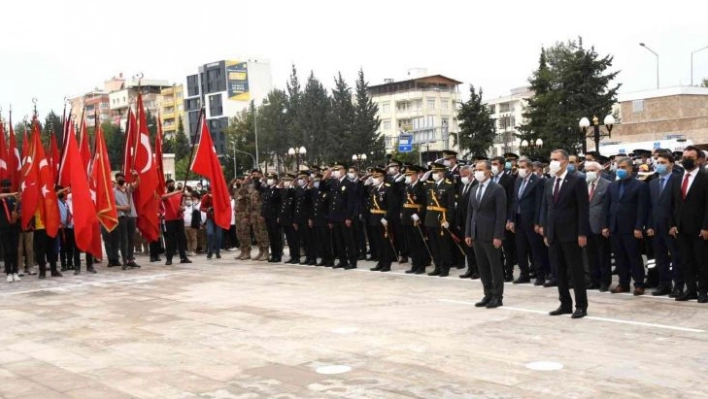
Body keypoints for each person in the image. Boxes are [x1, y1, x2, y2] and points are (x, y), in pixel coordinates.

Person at [540, 149, 590, 319]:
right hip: (554, 234)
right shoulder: (549, 182)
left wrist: (582, 233)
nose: (552, 162)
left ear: (565, 162)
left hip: (571, 233)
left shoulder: (577, 181)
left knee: (575, 271)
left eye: (556, 159)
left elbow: (583, 209)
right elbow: (547, 208)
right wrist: (546, 232)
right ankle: (565, 303)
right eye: (551, 159)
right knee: (558, 271)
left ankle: (581, 305)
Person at [603, 157, 649, 295]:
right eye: (618, 167)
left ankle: (639, 284)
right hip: (615, 227)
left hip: (631, 228)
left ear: (630, 168)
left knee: (634, 257)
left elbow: (642, 208)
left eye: (623, 167)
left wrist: (639, 227)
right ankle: (623, 284)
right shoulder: (612, 185)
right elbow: (607, 206)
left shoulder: (640, 186)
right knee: (619, 257)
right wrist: (605, 226)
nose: (620, 169)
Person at [466, 160, 507, 308]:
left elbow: (501, 214)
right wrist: (468, 233)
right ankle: (487, 294)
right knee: (482, 267)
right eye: (476, 169)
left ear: (489, 171)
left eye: (481, 169)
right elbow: (470, 213)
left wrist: (498, 235)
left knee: (494, 266)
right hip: (476, 233)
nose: (477, 172)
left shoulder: (497, 189)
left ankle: (497, 296)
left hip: (490, 235)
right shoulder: (474, 189)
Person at [670, 146, 708, 302]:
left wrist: (706, 227)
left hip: (699, 228)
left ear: (699, 160)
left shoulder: (705, 177)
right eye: (684, 157)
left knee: (702, 262)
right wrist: (672, 224)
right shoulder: (677, 178)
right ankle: (690, 289)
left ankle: (703, 291)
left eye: (690, 157)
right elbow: (673, 204)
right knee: (686, 261)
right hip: (680, 228)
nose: (686, 160)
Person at [647, 152, 683, 297]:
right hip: (656, 227)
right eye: (658, 162)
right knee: (660, 258)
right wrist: (649, 225)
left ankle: (678, 286)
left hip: (671, 227)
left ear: (671, 164)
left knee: (676, 258)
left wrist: (674, 225)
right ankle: (664, 285)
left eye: (663, 162)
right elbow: (649, 206)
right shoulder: (652, 182)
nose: (659, 164)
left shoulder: (677, 180)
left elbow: (678, 206)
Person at [508, 158, 546, 285]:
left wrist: (538, 222)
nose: (520, 169)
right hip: (519, 220)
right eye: (519, 167)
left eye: (523, 167)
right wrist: (511, 219)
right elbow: (514, 201)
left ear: (529, 168)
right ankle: (524, 274)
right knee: (520, 248)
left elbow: (539, 203)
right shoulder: (518, 181)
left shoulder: (538, 181)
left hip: (531, 220)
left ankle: (540, 275)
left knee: (536, 249)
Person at [583, 161, 611, 292]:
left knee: (603, 255)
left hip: (600, 225)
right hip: (586, 225)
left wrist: (605, 225)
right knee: (590, 255)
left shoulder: (607, 185)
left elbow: (607, 208)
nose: (589, 173)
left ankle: (605, 281)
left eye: (591, 170)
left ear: (599, 171)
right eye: (587, 170)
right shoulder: (584, 184)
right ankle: (594, 280)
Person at [424, 162, 456, 277]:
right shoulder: (432, 185)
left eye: (436, 172)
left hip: (442, 219)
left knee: (443, 245)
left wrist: (448, 220)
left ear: (442, 173)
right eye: (433, 172)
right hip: (431, 218)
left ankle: (445, 268)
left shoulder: (448, 185)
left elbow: (451, 206)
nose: (435, 174)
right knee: (434, 245)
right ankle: (437, 266)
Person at [327, 163, 357, 269]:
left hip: (344, 216)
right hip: (335, 217)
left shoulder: (348, 183)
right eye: (334, 169)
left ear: (344, 170)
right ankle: (342, 260)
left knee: (348, 240)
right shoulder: (335, 183)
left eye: (338, 169)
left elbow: (350, 202)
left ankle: (352, 262)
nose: (336, 171)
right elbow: (332, 202)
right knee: (338, 241)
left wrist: (349, 217)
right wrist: (330, 218)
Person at [490, 156, 516, 281]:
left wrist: (510, 219)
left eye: (495, 164)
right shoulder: (490, 179)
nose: (493, 166)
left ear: (501, 166)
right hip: (491, 218)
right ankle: (498, 271)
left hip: (504, 217)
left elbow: (511, 201)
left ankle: (509, 271)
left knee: (507, 247)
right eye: (492, 164)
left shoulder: (509, 179)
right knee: (495, 247)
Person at [401, 165, 428, 275]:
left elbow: (425, 204)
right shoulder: (407, 187)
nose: (407, 176)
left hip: (416, 218)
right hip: (407, 217)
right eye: (406, 175)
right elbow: (404, 202)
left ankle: (421, 266)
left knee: (418, 242)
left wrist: (419, 215)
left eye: (409, 174)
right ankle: (414, 265)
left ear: (416, 175)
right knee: (411, 243)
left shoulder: (422, 186)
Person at [368, 168, 396, 272]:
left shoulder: (388, 188)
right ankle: (380, 262)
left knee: (385, 242)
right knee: (378, 242)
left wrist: (386, 218)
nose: (374, 179)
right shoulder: (373, 189)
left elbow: (391, 206)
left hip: (383, 218)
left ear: (382, 177)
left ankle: (386, 263)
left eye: (376, 177)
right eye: (373, 177)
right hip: (374, 218)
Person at [112, 171, 141, 270]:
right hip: (121, 217)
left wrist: (136, 175)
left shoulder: (128, 188)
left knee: (131, 239)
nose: (121, 179)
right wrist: (122, 207)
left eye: (122, 177)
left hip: (131, 216)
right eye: (119, 177)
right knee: (124, 239)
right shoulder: (113, 191)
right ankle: (124, 261)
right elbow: (111, 206)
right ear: (116, 180)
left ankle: (130, 260)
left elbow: (137, 183)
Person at [162, 179, 192, 266]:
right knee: (170, 240)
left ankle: (183, 257)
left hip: (179, 218)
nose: (172, 185)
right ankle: (169, 258)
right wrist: (179, 191)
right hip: (170, 219)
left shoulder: (179, 195)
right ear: (166, 185)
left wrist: (182, 208)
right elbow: (164, 197)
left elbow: (187, 198)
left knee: (181, 238)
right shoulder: (166, 194)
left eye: (173, 183)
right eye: (170, 184)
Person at [310, 171, 333, 267]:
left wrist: (330, 220)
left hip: (325, 220)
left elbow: (329, 207)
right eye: (315, 180)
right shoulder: (314, 192)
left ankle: (329, 260)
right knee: (319, 241)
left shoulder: (327, 191)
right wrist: (311, 218)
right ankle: (323, 259)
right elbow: (312, 205)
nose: (316, 182)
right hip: (316, 219)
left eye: (318, 180)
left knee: (326, 241)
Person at [0, 180, 20, 283]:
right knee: (7, 251)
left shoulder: (14, 199)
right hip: (4, 229)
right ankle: (9, 272)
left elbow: (20, 211)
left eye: (8, 185)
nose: (6, 187)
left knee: (14, 251)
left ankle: (15, 271)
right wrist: (11, 193)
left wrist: (17, 216)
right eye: (4, 186)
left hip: (14, 228)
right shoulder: (2, 199)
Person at [260, 172, 282, 262]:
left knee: (276, 236)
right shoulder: (268, 189)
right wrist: (263, 214)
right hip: (268, 215)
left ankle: (278, 255)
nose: (269, 180)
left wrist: (279, 216)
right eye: (268, 178)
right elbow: (265, 203)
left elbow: (279, 204)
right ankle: (273, 254)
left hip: (274, 215)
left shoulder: (277, 190)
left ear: (275, 180)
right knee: (271, 236)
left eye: (271, 178)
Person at [294, 171, 315, 265]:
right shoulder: (298, 189)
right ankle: (307, 257)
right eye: (299, 179)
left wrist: (310, 218)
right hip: (300, 217)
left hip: (307, 217)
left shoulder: (309, 189)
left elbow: (311, 205)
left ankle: (312, 258)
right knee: (303, 239)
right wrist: (295, 220)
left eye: (302, 178)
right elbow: (296, 205)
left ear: (307, 179)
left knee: (309, 239)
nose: (300, 180)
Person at [248, 172, 269, 261]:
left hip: (261, 212)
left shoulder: (263, 184)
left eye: (256, 174)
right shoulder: (251, 186)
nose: (254, 176)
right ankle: (260, 251)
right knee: (256, 233)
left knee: (262, 232)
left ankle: (266, 252)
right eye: (253, 175)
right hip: (253, 212)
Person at [200, 186, 222, 259]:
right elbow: (202, 207)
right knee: (210, 234)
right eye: (209, 192)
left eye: (211, 192)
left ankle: (217, 252)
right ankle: (210, 251)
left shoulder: (219, 197)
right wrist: (208, 209)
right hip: (210, 218)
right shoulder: (205, 197)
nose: (210, 193)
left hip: (218, 218)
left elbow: (223, 206)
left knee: (218, 236)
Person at [279, 173, 297, 264]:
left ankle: (296, 257)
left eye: (288, 180)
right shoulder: (284, 191)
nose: (286, 182)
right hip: (285, 219)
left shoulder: (294, 190)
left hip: (292, 219)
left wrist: (291, 186)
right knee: (289, 240)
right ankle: (292, 256)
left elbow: (294, 206)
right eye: (285, 180)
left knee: (294, 239)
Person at [234, 181, 252, 260]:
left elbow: (249, 204)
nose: (237, 182)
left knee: (245, 234)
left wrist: (247, 215)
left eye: (239, 180)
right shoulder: (237, 192)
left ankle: (247, 252)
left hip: (244, 215)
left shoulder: (245, 193)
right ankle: (242, 251)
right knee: (239, 234)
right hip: (237, 215)